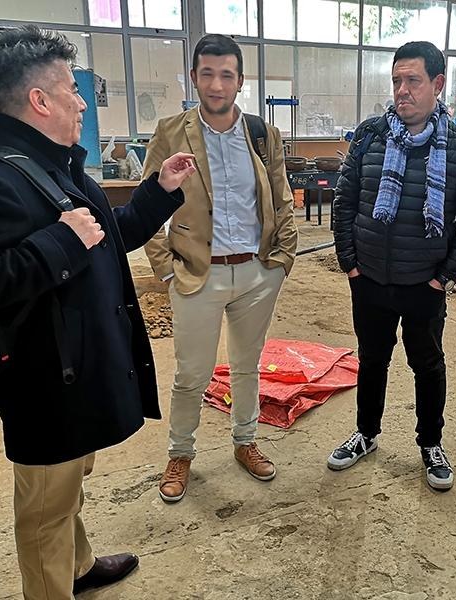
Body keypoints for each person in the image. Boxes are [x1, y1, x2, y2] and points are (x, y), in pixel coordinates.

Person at [0, 26, 196, 599]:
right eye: (72, 90)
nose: (81, 103)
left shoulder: (55, 165)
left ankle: (78, 569)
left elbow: (104, 237)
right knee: (44, 513)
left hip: (74, 375)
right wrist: (58, 242)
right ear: (39, 100)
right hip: (42, 388)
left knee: (67, 489)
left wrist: (158, 191)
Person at [329, 41, 456, 491]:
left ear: (437, 84)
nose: (402, 90)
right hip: (370, 279)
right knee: (371, 360)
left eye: (413, 80)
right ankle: (366, 434)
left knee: (427, 365)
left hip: (424, 284)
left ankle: (430, 443)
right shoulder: (370, 135)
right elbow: (344, 202)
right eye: (397, 80)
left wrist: (444, 277)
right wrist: (350, 264)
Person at [144, 34, 298, 503]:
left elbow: (282, 198)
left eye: (226, 75)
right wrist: (166, 269)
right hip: (197, 275)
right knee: (192, 373)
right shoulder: (171, 132)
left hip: (256, 273)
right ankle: (180, 453)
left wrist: (282, 260)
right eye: (207, 74)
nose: (216, 84)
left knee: (247, 366)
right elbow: (146, 206)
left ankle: (245, 441)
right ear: (194, 77)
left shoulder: (262, 134)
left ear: (240, 80)